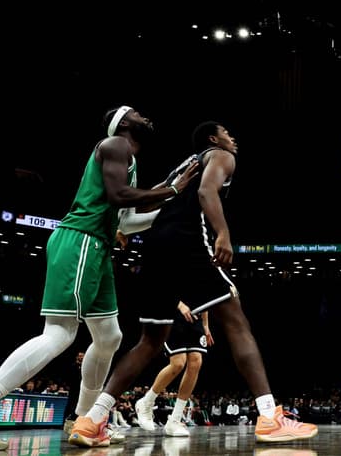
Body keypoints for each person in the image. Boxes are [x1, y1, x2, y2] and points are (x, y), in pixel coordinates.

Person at [0, 106, 199, 451]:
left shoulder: (128, 160)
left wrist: (173, 206)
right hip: (81, 241)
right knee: (59, 334)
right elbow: (119, 196)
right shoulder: (115, 144)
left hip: (98, 247)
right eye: (135, 112)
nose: (144, 115)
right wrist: (172, 191)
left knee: (109, 336)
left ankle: (83, 421)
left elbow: (126, 222)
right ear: (122, 123)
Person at [69, 120, 318, 446]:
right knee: (236, 321)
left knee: (149, 341)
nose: (232, 138)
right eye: (227, 133)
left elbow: (143, 203)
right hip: (187, 241)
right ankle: (270, 417)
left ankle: (91, 420)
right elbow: (205, 192)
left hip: (155, 247)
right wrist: (223, 233)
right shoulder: (221, 155)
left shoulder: (183, 165)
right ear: (214, 138)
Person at [134, 301, 214, 437]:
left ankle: (175, 420)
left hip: (196, 316)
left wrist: (206, 325)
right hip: (174, 314)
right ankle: (146, 402)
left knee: (196, 363)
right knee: (178, 363)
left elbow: (205, 296)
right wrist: (179, 305)